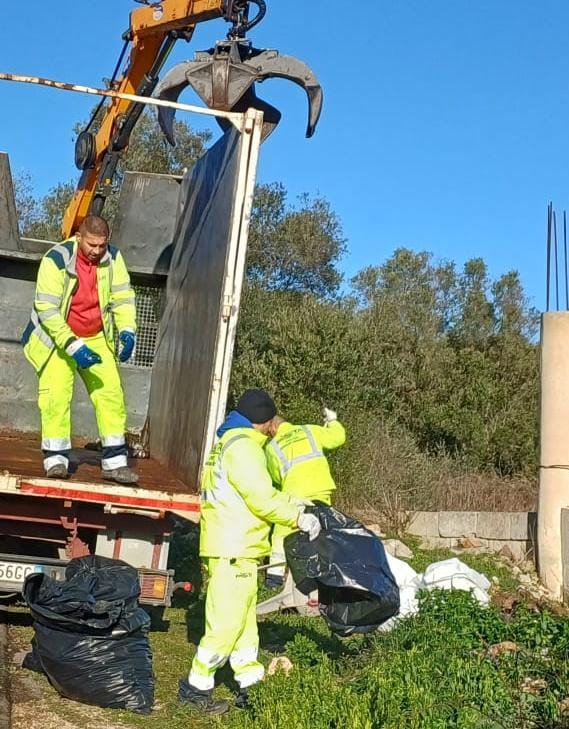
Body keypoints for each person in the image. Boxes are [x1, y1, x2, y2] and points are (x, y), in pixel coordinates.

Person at [179, 388, 321, 715]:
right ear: (264, 421)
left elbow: (255, 492)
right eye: (272, 421)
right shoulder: (245, 449)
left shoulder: (228, 444)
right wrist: (298, 518)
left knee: (245, 623)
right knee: (226, 624)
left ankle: (251, 683)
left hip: (230, 544)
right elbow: (260, 497)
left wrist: (294, 502)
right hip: (235, 545)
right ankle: (196, 687)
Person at [21, 215, 138, 485]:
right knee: (56, 396)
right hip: (57, 337)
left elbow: (123, 297)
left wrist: (128, 330)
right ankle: (56, 459)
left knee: (111, 394)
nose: (96, 251)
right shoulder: (56, 258)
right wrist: (73, 345)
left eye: (101, 245)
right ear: (79, 238)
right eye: (91, 245)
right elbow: (47, 310)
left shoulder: (114, 258)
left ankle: (115, 463)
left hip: (96, 335)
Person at [264, 406, 346, 588]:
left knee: (281, 533)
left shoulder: (272, 447)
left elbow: (275, 476)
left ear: (272, 428)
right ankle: (322, 575)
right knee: (320, 532)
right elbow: (337, 438)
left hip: (294, 494)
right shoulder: (310, 430)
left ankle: (274, 577)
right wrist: (332, 421)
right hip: (320, 491)